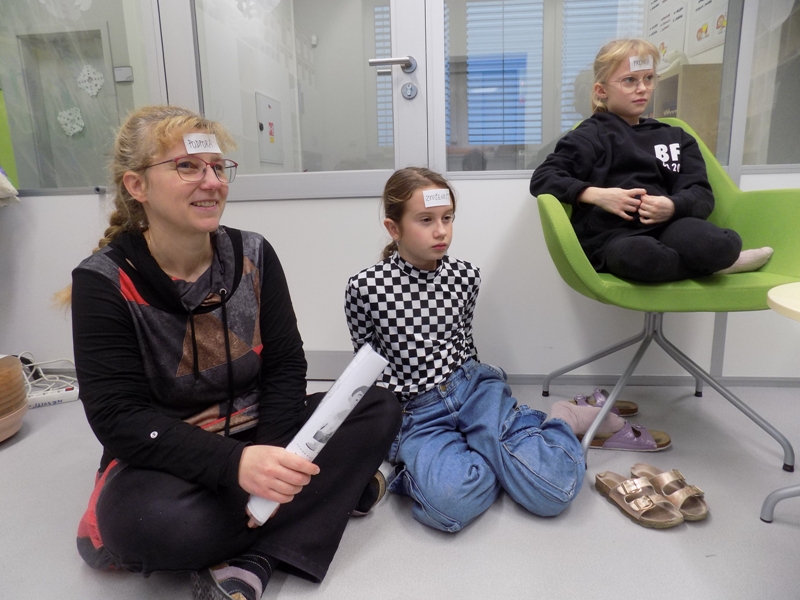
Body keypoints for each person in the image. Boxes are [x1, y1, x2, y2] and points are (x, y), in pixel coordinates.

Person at [70, 105, 401, 600]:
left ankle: (254, 558)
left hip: (262, 432)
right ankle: (327, 499)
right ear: (137, 185)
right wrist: (236, 466)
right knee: (144, 525)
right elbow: (119, 418)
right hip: (173, 458)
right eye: (187, 167)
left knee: (379, 407)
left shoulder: (254, 253)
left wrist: (270, 462)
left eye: (218, 167)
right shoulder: (102, 281)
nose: (212, 182)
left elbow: (286, 365)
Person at [344, 167, 626, 533]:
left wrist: (482, 407)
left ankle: (564, 418)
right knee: (450, 507)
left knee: (555, 492)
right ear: (393, 228)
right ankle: (494, 454)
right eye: (426, 220)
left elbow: (464, 339)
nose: (441, 231)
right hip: (416, 411)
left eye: (447, 218)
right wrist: (380, 434)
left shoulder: (466, 276)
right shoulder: (364, 288)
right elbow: (365, 362)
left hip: (472, 387)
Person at [530, 38, 772, 282]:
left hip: (670, 226)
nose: (642, 88)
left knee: (722, 245)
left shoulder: (677, 137)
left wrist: (673, 206)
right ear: (601, 90)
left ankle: (716, 259)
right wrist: (597, 195)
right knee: (646, 258)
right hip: (613, 236)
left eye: (648, 78)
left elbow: (701, 194)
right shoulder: (589, 135)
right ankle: (714, 267)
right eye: (629, 80)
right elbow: (543, 178)